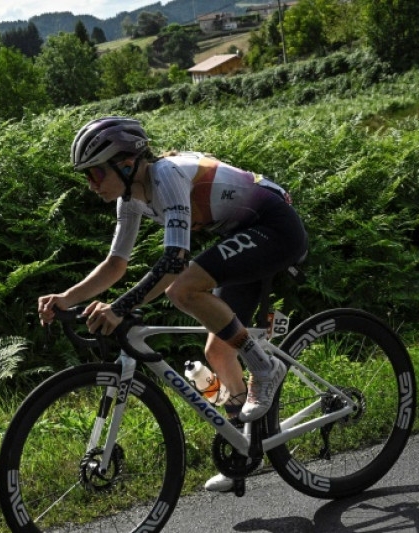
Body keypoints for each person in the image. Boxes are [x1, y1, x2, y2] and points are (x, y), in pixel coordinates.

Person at [37, 116, 308, 492]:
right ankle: (243, 452)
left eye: (96, 173)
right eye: (87, 176)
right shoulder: (131, 199)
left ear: (126, 164)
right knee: (218, 352)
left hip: (275, 227)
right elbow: (115, 264)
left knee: (182, 290)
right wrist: (67, 297)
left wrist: (119, 308)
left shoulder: (166, 176)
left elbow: (175, 260)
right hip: (242, 233)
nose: (91, 185)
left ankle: (265, 367)